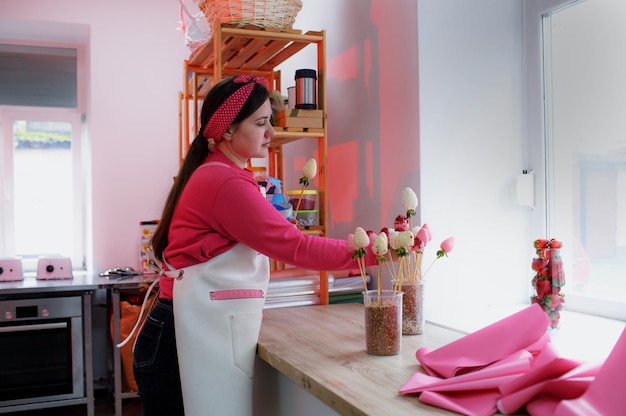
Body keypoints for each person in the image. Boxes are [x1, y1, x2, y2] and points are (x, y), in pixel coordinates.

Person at [132, 74, 376, 416]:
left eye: (270, 122)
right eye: (261, 123)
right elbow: (296, 248)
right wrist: (369, 253)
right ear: (227, 130)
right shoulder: (225, 181)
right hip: (176, 339)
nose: (271, 133)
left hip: (174, 330)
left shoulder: (217, 173)